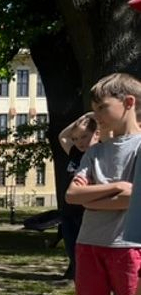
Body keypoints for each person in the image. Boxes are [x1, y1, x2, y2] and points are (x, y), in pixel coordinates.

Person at [64, 73, 141, 295]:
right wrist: (118, 188)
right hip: (89, 245)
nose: (96, 115)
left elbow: (134, 200)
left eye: (102, 107)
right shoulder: (94, 152)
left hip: (128, 245)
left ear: (129, 103)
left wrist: (94, 197)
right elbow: (72, 195)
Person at [57, 113, 100, 279]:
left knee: (88, 257)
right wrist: (84, 117)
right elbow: (62, 136)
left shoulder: (101, 152)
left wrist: (93, 119)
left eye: (84, 136)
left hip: (88, 213)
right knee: (74, 256)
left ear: (96, 134)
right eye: (75, 138)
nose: (79, 142)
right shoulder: (75, 152)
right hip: (69, 213)